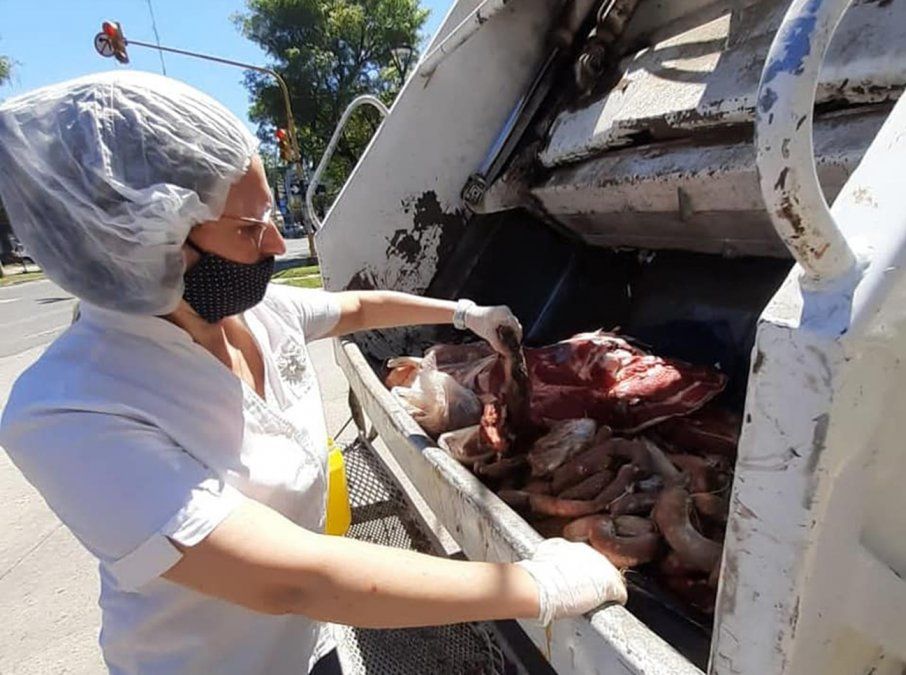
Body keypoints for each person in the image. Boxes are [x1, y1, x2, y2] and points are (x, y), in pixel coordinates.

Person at [0, 71, 626, 675]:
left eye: (270, 214)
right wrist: (530, 585)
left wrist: (466, 313)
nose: (276, 245)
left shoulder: (259, 313)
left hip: (310, 643)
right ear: (142, 247)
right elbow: (286, 578)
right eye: (248, 229)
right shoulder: (68, 408)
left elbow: (357, 307)